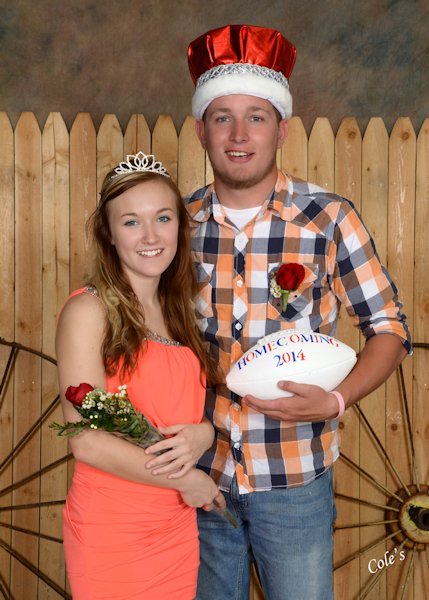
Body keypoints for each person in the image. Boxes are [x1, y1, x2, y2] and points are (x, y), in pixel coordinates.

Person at [180, 24, 411, 600]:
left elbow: (388, 329)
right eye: (222, 117)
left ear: (281, 129)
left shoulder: (329, 219)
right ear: (201, 129)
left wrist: (337, 400)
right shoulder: (175, 226)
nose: (239, 135)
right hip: (197, 478)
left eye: (256, 117)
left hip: (295, 479)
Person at [56, 152, 226, 600]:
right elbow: (86, 441)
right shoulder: (88, 310)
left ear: (179, 227)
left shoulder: (177, 311)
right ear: (108, 234)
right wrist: (187, 480)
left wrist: (204, 434)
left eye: (163, 218)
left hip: (175, 523)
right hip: (113, 528)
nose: (151, 236)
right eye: (131, 222)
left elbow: (177, 410)